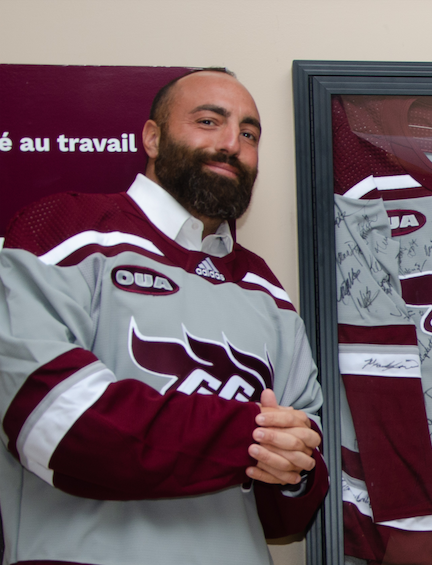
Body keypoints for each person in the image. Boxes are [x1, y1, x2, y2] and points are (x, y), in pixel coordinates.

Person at [0, 68, 328, 565]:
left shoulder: (267, 291)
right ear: (153, 137)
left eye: (248, 133)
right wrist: (253, 438)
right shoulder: (60, 230)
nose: (231, 143)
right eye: (208, 120)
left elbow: (288, 512)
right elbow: (60, 425)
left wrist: (296, 469)